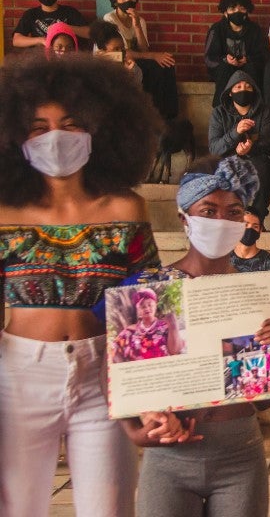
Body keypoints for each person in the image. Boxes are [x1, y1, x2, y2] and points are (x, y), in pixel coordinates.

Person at [0, 54, 162, 517]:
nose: (55, 137)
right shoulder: (3, 212)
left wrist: (148, 394)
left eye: (70, 123)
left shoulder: (127, 209)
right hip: (18, 377)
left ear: (100, 129)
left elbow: (146, 305)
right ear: (15, 137)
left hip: (103, 375)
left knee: (109, 509)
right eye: (38, 127)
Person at [118, 155, 270, 517]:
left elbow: (261, 402)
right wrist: (140, 431)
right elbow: (127, 391)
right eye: (208, 210)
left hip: (239, 454)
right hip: (168, 461)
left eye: (233, 212)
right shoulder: (150, 292)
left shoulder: (255, 295)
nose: (222, 221)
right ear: (184, 218)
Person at [104, 0, 179, 119]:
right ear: (115, 1)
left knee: (167, 65)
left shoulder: (140, 20)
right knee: (153, 65)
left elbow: (144, 50)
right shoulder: (110, 19)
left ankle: (167, 114)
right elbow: (122, 54)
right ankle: (149, 111)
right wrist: (154, 55)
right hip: (114, 61)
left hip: (136, 60)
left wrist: (136, 24)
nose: (128, 1)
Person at [208, 71, 270, 225]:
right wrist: (235, 133)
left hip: (256, 157)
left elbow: (269, 145)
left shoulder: (264, 112)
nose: (243, 90)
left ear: (254, 91)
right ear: (230, 93)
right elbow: (214, 148)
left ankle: (257, 219)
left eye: (247, 87)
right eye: (238, 87)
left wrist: (250, 148)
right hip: (228, 157)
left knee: (265, 168)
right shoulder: (219, 113)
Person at [204, 0, 269, 106]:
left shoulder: (254, 29)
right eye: (232, 9)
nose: (237, 12)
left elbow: (262, 55)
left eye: (242, 9)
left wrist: (248, 59)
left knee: (252, 68)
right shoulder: (217, 29)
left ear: (247, 11)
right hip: (223, 68)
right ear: (225, 13)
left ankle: (256, 108)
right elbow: (209, 58)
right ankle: (220, 109)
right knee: (225, 68)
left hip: (248, 68)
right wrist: (225, 60)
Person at [12, 0, 89, 48]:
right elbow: (16, 40)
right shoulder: (31, 14)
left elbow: (89, 33)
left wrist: (65, 27)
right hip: (39, 58)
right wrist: (41, 40)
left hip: (66, 57)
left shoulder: (70, 11)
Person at [111, 288, 182, 362]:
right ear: (138, 311)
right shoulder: (129, 332)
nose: (147, 308)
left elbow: (175, 351)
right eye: (143, 306)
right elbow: (113, 349)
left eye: (150, 305)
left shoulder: (165, 326)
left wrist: (173, 326)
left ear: (155, 306)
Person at [90, 18, 143, 85]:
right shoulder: (94, 70)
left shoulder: (130, 66)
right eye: (116, 49)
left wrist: (129, 73)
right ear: (102, 51)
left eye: (122, 48)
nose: (121, 52)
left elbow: (136, 88)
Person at [231, 208, 270, 275]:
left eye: (255, 226)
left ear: (260, 230)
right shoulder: (222, 261)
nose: (250, 229)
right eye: (245, 225)